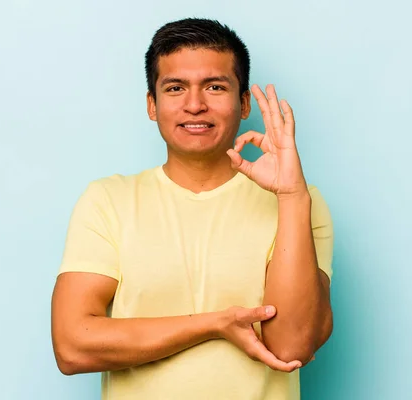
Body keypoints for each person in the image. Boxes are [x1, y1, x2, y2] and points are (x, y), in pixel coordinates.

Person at [51, 17, 334, 400]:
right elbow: (73, 345)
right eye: (175, 88)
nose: (195, 105)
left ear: (244, 102)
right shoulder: (108, 201)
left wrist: (292, 197)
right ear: (152, 105)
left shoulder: (300, 201)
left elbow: (292, 346)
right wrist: (214, 325)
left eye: (215, 87)